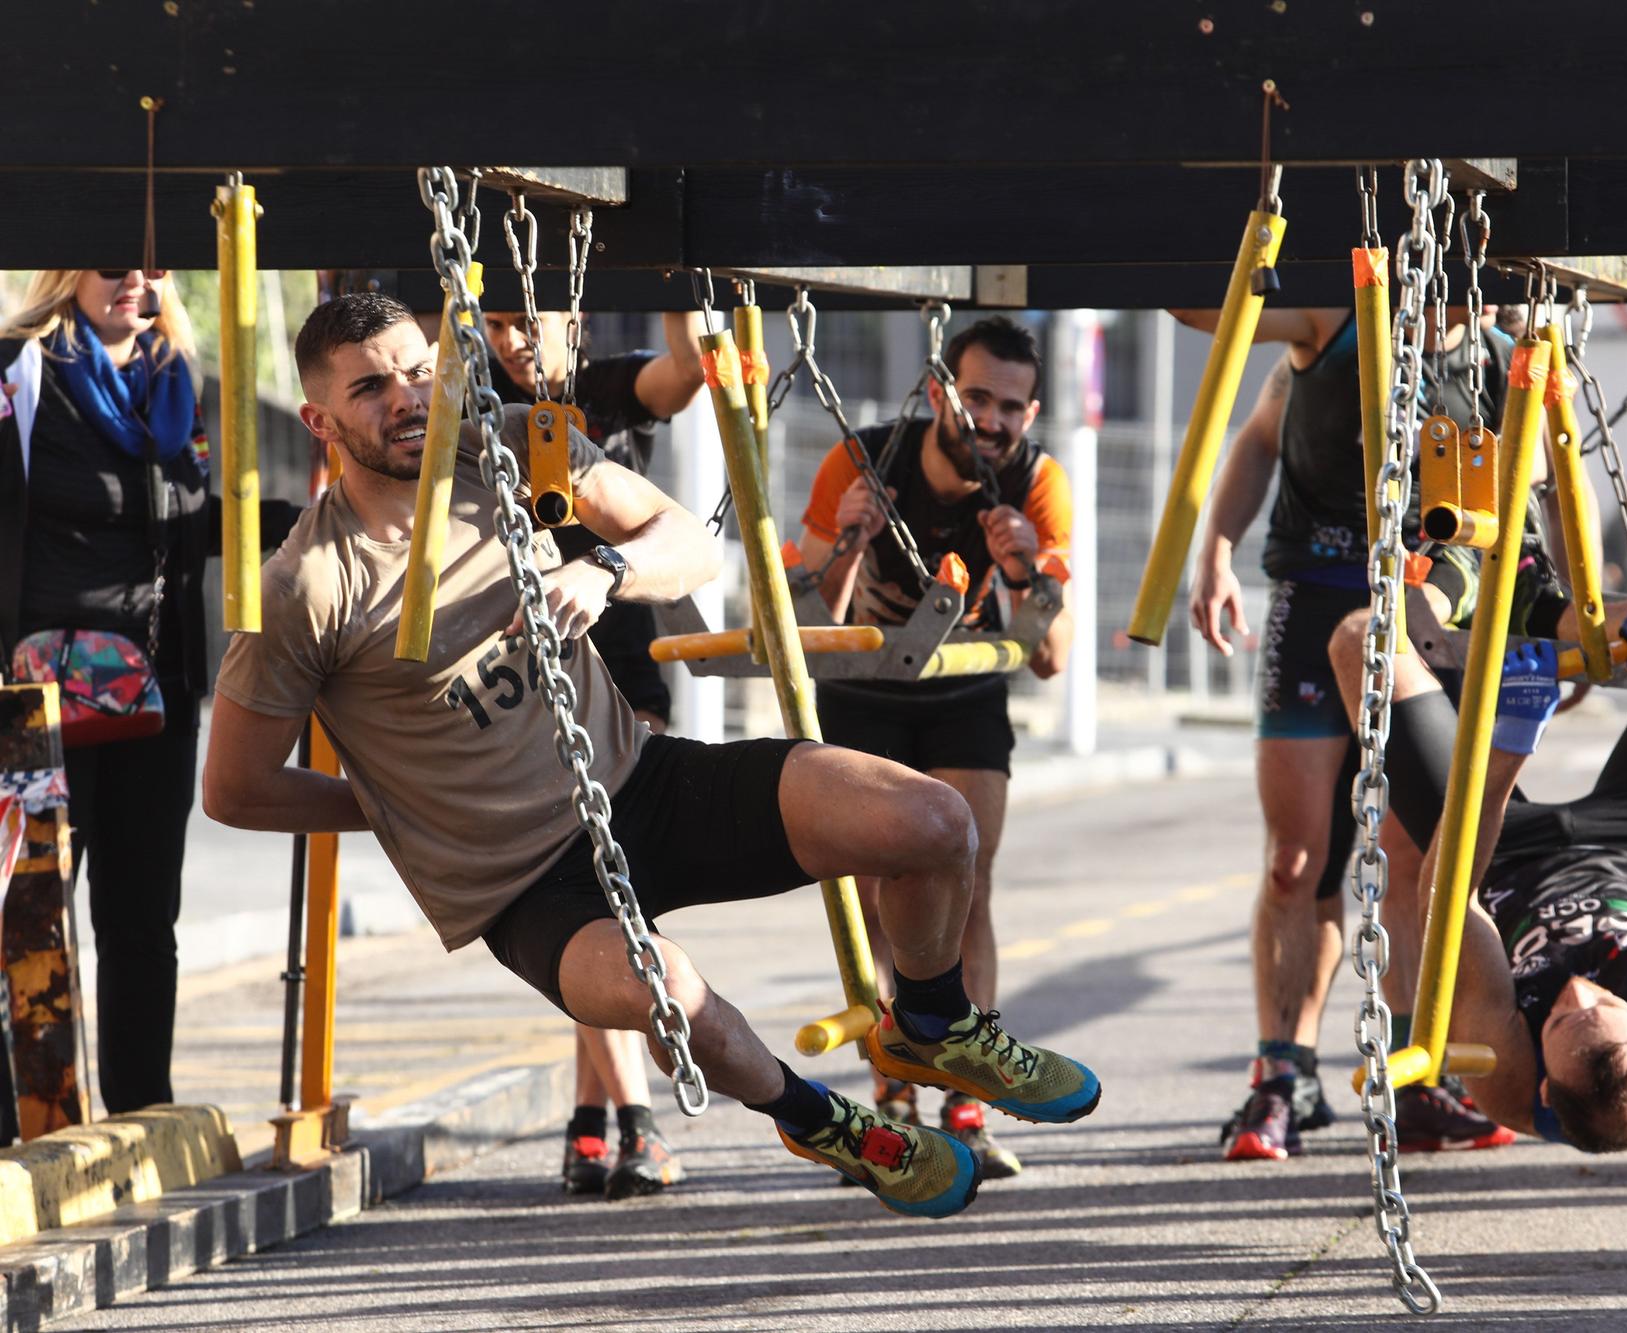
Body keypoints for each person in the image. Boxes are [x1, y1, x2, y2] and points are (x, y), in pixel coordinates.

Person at [201, 294, 1100, 1219]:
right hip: (527, 888)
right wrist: (396, 807)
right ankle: (817, 1118)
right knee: (668, 990)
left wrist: (604, 569)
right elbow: (234, 787)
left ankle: (932, 1020)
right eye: (370, 387)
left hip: (643, 781)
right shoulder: (307, 583)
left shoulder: (511, 441)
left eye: (419, 370)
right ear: (319, 419)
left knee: (932, 823)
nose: (407, 398)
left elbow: (687, 544)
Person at [1174, 301, 1554, 1161]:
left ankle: (1414, 1074)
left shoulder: (1502, 359)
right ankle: (1283, 1072)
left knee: (1415, 857)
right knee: (1296, 858)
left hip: (1435, 612)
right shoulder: (1337, 318)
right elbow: (1238, 389)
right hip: (1320, 589)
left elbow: (1539, 507)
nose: (1459, 297)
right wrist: (1216, 550)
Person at [1327, 569, 1627, 1151]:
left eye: (1557, 1019)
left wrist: (1510, 745)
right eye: (1604, 1003)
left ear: (1545, 1087)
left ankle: (1454, 580)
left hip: (1496, 861)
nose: (1576, 991)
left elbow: (1446, 897)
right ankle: (1546, 607)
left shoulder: (1505, 1074)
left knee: (1358, 641)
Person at [0, 269, 288, 1116]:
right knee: (26, 918)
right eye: (110, 260)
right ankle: (21, 1124)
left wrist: (308, 513)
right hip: (29, 698)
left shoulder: (175, 382)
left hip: (151, 695)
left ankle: (140, 1112)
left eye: (151, 264)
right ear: (66, 274)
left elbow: (191, 526)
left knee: (141, 919)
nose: (133, 278)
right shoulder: (19, 371)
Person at [794, 316, 1075, 1180]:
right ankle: (892, 1101)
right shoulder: (862, 458)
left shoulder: (1038, 483)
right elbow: (809, 625)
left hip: (963, 696)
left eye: (1013, 407)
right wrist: (849, 539)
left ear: (1031, 415)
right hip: (866, 693)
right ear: (942, 390)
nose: (992, 420)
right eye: (978, 396)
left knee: (968, 885)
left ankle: (968, 1098)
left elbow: (1052, 658)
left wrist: (1025, 575)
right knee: (880, 900)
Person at [483, 301, 707, 1199]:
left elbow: (688, 371)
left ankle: (598, 1117)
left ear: (574, 316)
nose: (515, 340)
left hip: (626, 670)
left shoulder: (611, 386)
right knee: (592, 896)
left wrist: (683, 272)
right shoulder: (469, 402)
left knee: (617, 892)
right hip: (529, 674)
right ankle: (634, 1120)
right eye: (498, 322)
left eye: (531, 320)